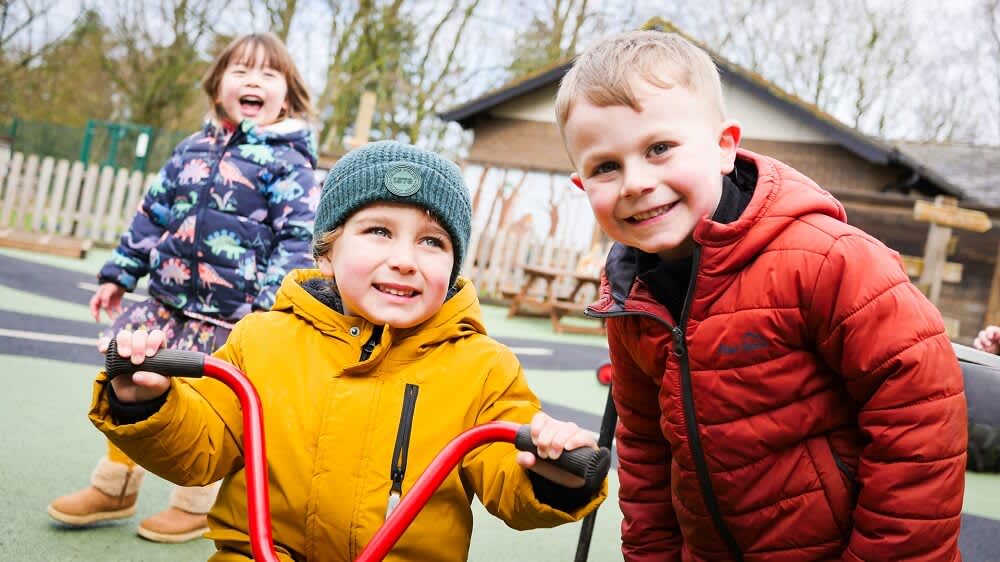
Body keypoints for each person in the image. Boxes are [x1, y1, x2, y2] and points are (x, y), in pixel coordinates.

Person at [554, 29, 966, 561]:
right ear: (581, 185)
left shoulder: (825, 259)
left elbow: (921, 415)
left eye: (659, 148)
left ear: (724, 147)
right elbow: (645, 452)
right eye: (605, 167)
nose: (635, 182)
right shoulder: (634, 301)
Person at [88, 140, 608, 561]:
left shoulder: (482, 368)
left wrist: (552, 471)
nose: (405, 260)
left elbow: (507, 475)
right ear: (327, 253)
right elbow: (200, 450)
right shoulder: (262, 340)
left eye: (432, 242)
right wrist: (144, 403)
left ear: (454, 265)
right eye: (378, 231)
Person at [47, 32, 319, 543]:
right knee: (129, 379)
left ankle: (196, 502)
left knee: (210, 404)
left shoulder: (289, 163)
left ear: (289, 96)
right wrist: (118, 275)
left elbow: (296, 240)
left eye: (268, 73)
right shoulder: (191, 150)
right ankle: (114, 486)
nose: (253, 79)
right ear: (218, 89)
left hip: (233, 316)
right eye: (240, 70)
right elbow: (152, 216)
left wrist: (270, 312)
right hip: (165, 305)